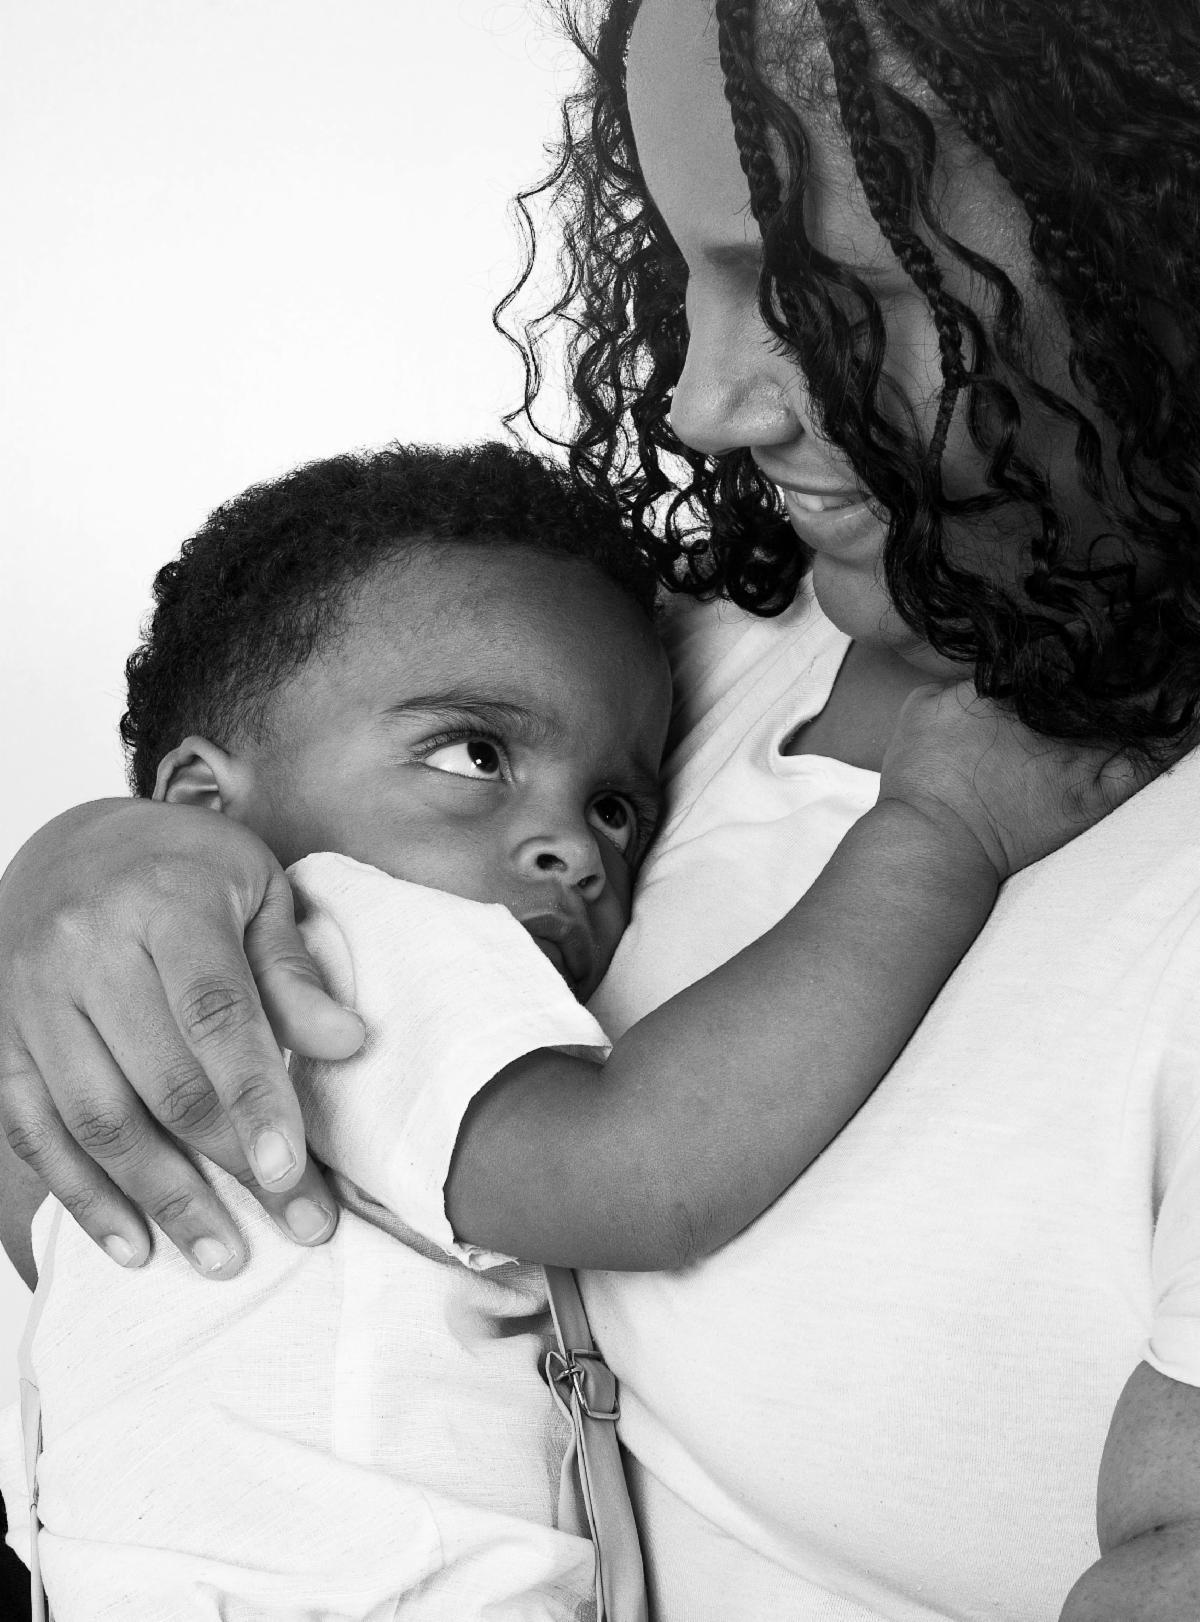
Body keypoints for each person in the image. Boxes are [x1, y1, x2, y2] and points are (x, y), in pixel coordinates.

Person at [0, 0, 1196, 1616]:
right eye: (686, 266)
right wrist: (91, 869)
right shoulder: (677, 665)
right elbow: (625, 1157)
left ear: (1148, 264)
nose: (700, 402)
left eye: (827, 296)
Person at [0, 437, 1108, 1620]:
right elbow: (651, 1168)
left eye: (616, 807)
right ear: (206, 810)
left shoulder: (169, 1019)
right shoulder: (335, 941)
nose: (576, 849)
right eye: (475, 753)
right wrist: (937, 831)